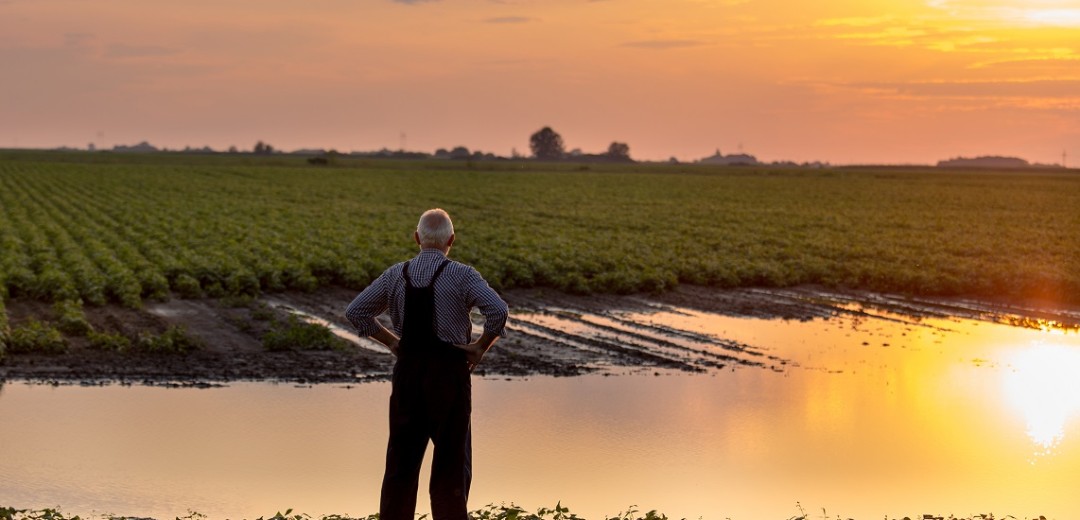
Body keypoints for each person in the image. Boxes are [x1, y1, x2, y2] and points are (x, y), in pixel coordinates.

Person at [345, 208, 508, 520]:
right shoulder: (464, 275)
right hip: (449, 375)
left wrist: (392, 342)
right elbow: (498, 311)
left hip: (408, 376)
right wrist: (479, 348)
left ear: (417, 238)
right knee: (451, 464)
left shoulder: (396, 274)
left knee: (400, 466)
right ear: (452, 240)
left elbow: (357, 311)